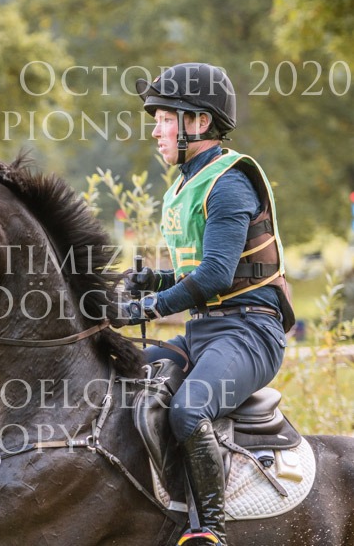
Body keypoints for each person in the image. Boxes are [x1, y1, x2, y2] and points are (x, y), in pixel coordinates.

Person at [116, 63, 295, 546]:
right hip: (204, 332)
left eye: (164, 119)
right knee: (121, 377)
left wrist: (146, 308)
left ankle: (210, 530)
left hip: (250, 333)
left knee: (188, 411)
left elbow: (215, 275)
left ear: (198, 122)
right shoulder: (184, 184)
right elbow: (203, 270)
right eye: (156, 121)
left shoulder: (229, 182)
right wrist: (155, 280)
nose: (155, 130)